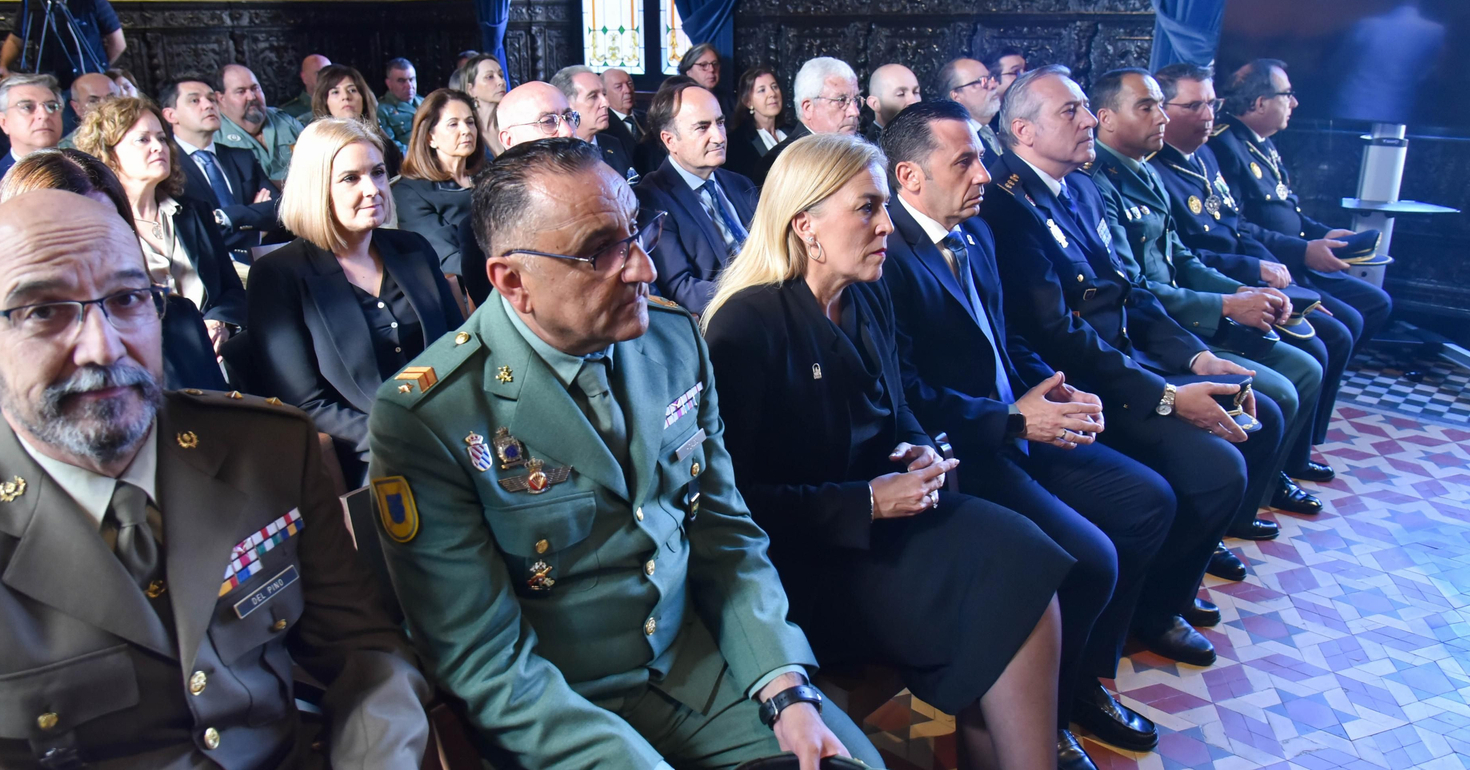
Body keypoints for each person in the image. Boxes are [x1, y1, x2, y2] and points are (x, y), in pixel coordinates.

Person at [369, 136, 881, 770]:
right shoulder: (432, 415)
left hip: (700, 673)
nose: (643, 267)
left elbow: (725, 536)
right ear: (512, 280)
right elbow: (485, 660)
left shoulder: (672, 342)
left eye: (638, 232)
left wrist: (784, 684)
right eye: (599, 252)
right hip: (561, 711)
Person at [0, 189, 431, 766]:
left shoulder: (265, 449)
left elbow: (364, 655)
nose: (102, 347)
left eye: (127, 299)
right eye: (43, 312)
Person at [704, 133, 1066, 770]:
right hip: (810, 556)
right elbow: (736, 504)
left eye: (884, 208)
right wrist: (866, 501)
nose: (887, 226)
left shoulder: (866, 294)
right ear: (805, 224)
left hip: (889, 520)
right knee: (1011, 583)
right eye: (867, 208)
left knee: (1029, 563)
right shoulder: (746, 326)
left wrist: (924, 452)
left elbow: (899, 407)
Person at [880, 101, 1173, 764]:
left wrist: (1052, 389)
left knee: (1149, 500)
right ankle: (1041, 718)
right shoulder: (889, 255)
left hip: (1016, 422)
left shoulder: (975, 233)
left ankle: (1080, 686)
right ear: (910, 177)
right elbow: (907, 396)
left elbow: (1005, 338)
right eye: (965, 161)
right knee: (1090, 559)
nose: (985, 174)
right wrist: (1014, 418)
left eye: (983, 156)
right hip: (967, 448)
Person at [980, 66, 1283, 665]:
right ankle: (1138, 620)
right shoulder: (1004, 205)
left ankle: (1158, 596)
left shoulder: (1084, 187)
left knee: (1260, 415)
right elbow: (1055, 333)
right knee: (1217, 467)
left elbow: (1129, 293)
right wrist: (1167, 395)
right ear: (1022, 131)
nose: (1090, 119)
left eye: (1085, 109)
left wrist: (1196, 357)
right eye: (1071, 112)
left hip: (1129, 362)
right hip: (1084, 386)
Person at [1087, 68, 1324, 536]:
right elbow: (1134, 288)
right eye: (1147, 107)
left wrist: (1238, 293)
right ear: (1107, 119)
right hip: (1159, 326)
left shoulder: (1144, 172)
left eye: (1161, 105)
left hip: (1180, 317)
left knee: (1305, 364)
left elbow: (1181, 258)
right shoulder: (1100, 181)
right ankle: (1226, 518)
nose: (1160, 118)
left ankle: (1249, 498)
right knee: (1278, 388)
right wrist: (1224, 307)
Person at [1155, 63, 1353, 474]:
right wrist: (1245, 283)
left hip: (1232, 276)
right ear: (1163, 109)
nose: (1209, 115)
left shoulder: (1205, 153)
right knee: (1317, 346)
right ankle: (1274, 473)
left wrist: (1278, 266)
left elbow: (1235, 224)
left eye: (1212, 103)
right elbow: (1183, 257)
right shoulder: (1154, 167)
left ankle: (1289, 462)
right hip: (1195, 296)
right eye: (1195, 105)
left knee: (1331, 332)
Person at [247, 118, 462, 489]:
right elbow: (306, 405)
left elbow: (459, 352)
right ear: (316, 189)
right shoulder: (277, 275)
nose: (373, 189)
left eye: (378, 173)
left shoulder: (412, 248)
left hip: (451, 430)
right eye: (351, 178)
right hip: (367, 452)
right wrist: (399, 440)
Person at [0, 148, 225, 395]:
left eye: (107, 232)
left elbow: (214, 429)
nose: (94, 254)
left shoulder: (178, 320)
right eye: (69, 237)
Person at [1211, 59, 1393, 351]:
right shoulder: (1224, 145)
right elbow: (1237, 225)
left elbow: (1286, 207)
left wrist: (1321, 235)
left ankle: (1330, 382)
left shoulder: (1262, 142)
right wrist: (1303, 251)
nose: (1294, 103)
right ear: (1260, 103)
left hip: (1297, 257)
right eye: (1287, 94)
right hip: (1271, 262)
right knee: (1344, 327)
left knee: (1377, 302)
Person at [73, 96, 247, 343]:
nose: (158, 147)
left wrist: (220, 322)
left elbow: (231, 290)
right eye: (142, 139)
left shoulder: (193, 212)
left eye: (162, 138)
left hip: (215, 354)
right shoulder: (95, 227)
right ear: (107, 153)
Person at [636, 78, 759, 314]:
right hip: (728, 319)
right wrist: (758, 298)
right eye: (703, 127)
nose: (720, 137)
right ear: (670, 140)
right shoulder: (650, 199)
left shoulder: (740, 184)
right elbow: (682, 288)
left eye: (720, 123)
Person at [456, 81, 584, 305]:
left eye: (569, 117)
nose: (567, 130)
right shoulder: (484, 224)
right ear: (508, 140)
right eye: (548, 121)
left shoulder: (599, 197)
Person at [158, 75, 279, 262]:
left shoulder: (242, 157)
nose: (208, 105)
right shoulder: (165, 165)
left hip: (262, 262)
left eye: (211, 99)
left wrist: (227, 216)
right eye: (194, 100)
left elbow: (279, 210)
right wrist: (256, 225)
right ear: (170, 115)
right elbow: (194, 236)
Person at [0, 0, 126, 90]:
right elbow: (15, 39)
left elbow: (118, 43)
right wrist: (3, 65)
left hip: (89, 82)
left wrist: (101, 67)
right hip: (50, 83)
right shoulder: (32, 4)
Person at [394, 88, 486, 284]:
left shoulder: (490, 174)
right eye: (453, 124)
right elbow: (447, 259)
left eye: (470, 122)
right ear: (430, 138)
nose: (466, 130)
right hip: (470, 288)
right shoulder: (410, 192)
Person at [0, 73, 65, 222]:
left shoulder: (89, 170)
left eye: (52, 106)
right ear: (3, 121)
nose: (44, 114)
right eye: (27, 107)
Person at [754, 56, 863, 181]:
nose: (854, 112)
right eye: (841, 100)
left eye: (855, 99)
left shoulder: (859, 153)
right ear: (808, 107)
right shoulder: (778, 163)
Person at [215, 63, 306, 184]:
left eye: (255, 88)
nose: (252, 97)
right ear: (221, 98)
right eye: (241, 91)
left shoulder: (286, 122)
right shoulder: (214, 136)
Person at [310, 64, 402, 175]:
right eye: (335, 92)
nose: (346, 97)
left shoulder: (385, 144)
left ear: (363, 97)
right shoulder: (317, 148)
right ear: (325, 102)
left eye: (352, 90)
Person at [552, 65, 634, 178]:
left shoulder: (614, 145)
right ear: (566, 104)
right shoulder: (553, 153)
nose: (606, 103)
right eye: (593, 96)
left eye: (604, 94)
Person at [727, 66, 789, 185]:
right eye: (762, 90)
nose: (772, 93)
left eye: (774, 87)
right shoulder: (738, 142)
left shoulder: (793, 132)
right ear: (748, 102)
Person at [938, 56, 1007, 161]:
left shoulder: (1003, 130)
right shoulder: (951, 143)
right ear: (956, 96)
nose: (994, 84)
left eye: (991, 78)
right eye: (982, 81)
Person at [457, 52, 508, 157]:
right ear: (470, 89)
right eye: (489, 77)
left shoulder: (511, 125)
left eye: (501, 75)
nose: (501, 82)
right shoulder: (466, 132)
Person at [60, 72, 121, 147]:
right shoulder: (68, 148)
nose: (105, 105)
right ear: (76, 107)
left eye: (111, 98)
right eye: (93, 101)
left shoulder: (136, 133)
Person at [864, 63, 921, 141]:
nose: (914, 101)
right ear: (874, 104)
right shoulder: (870, 150)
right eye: (901, 94)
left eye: (915, 92)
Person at [377, 57, 422, 153]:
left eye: (411, 79)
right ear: (389, 84)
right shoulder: (381, 111)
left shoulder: (425, 102)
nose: (409, 86)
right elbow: (392, 147)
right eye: (401, 81)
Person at [679, 42, 731, 115]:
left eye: (715, 64)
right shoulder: (679, 102)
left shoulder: (729, 101)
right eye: (703, 65)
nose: (712, 69)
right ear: (688, 71)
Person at [602, 67, 645, 143]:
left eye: (630, 84)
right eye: (618, 87)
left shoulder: (648, 119)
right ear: (605, 94)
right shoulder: (603, 126)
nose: (628, 90)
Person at [280, 53, 331, 117]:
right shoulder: (288, 113)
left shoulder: (340, 105)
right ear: (305, 78)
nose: (326, 77)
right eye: (319, 73)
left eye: (329, 73)